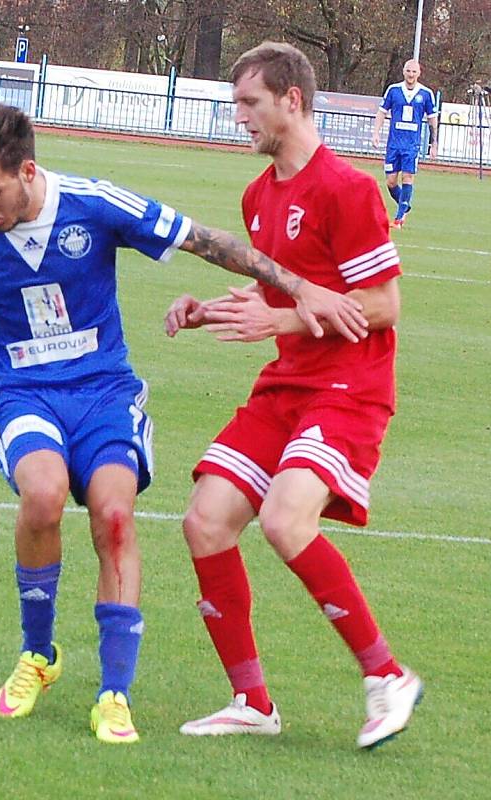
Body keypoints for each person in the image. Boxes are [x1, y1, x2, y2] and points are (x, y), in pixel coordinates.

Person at [0, 102, 367, 745]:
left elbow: (203, 240)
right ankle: (38, 656)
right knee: (43, 495)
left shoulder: (93, 204)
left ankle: (114, 693)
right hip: (22, 392)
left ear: (27, 170)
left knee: (114, 514)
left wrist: (297, 288)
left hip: (104, 393)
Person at [165, 42, 422, 750]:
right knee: (205, 521)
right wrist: (209, 310)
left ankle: (388, 677)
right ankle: (251, 701)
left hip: (349, 388)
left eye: (249, 103)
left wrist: (278, 319)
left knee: (284, 519)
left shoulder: (346, 188)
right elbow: (277, 290)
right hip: (288, 386)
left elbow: (383, 304)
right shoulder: (257, 196)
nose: (238, 117)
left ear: (292, 100)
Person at [372, 59, 438, 229]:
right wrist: (376, 133)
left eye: (414, 72)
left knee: (408, 177)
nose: (411, 75)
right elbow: (381, 112)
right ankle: (405, 204)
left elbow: (432, 120)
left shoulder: (426, 93)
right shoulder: (393, 90)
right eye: (408, 71)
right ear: (403, 71)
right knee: (391, 182)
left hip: (412, 145)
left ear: (419, 73)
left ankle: (399, 218)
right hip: (393, 144)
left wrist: (433, 142)